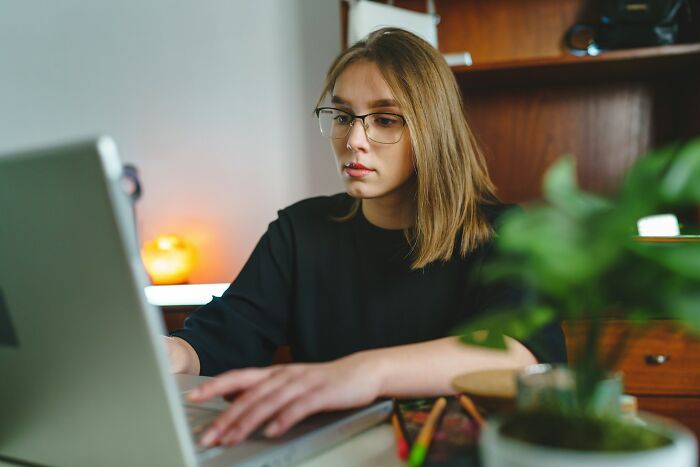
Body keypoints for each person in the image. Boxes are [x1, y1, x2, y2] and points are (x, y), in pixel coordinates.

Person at [165, 27, 566, 448]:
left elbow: (519, 353)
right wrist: (165, 352)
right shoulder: (300, 231)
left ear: (432, 129)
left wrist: (363, 373)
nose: (354, 140)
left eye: (385, 119)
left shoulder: (504, 233)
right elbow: (217, 340)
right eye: (342, 117)